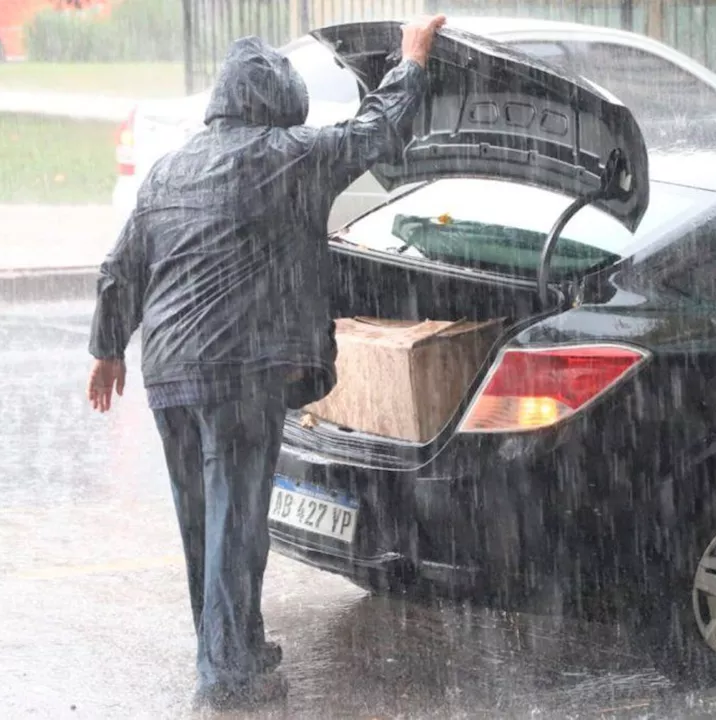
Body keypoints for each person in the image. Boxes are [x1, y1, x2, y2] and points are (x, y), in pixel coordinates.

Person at [85, 14, 447, 710]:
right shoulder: (292, 153)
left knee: (207, 522)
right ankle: (226, 673)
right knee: (236, 520)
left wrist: (107, 349)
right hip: (241, 368)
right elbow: (380, 131)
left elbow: (119, 268)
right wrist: (413, 60)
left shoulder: (171, 167)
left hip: (168, 375)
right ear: (279, 103)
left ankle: (236, 644)